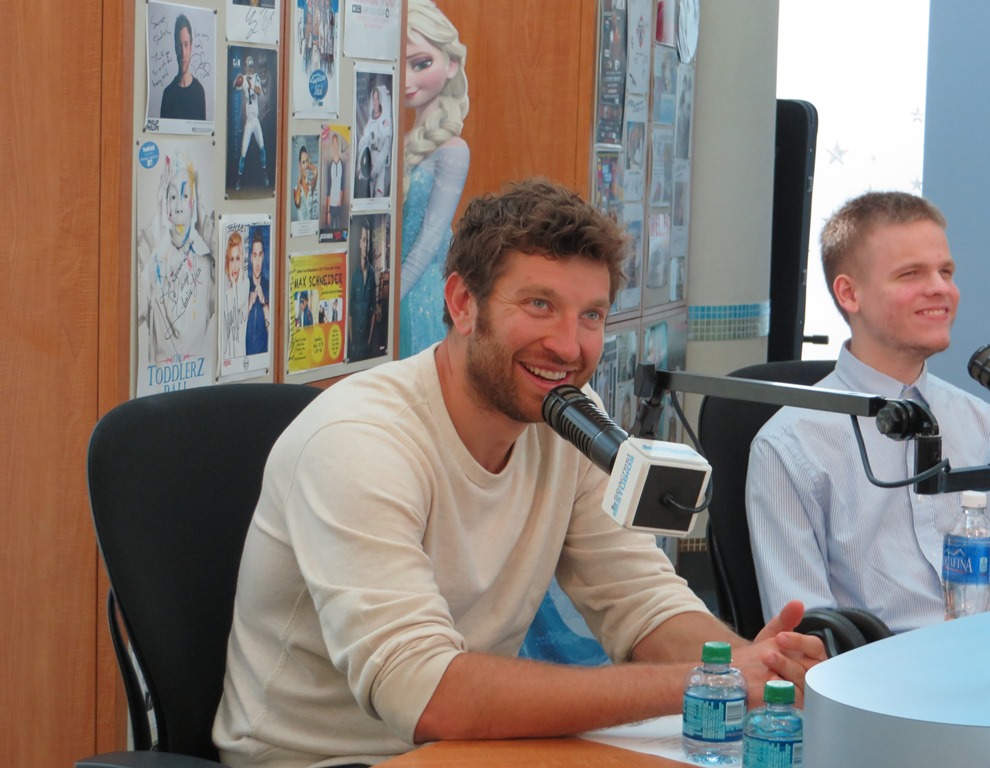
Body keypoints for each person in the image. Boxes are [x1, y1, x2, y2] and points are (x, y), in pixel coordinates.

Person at [213, 178, 825, 768]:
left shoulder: (567, 422)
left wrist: (752, 667)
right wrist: (698, 682)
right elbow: (422, 691)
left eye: (591, 315)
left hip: (469, 750)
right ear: (462, 304)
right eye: (539, 305)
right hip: (328, 759)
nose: (568, 346)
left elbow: (640, 601)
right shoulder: (360, 441)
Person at [746, 191, 990, 634]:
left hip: (988, 680)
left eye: (946, 271)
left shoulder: (981, 422)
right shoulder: (790, 443)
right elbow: (809, 634)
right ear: (849, 293)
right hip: (868, 690)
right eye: (911, 273)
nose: (940, 288)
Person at [399, 0, 470, 359]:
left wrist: (391, 296)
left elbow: (429, 242)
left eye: (421, 64)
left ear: (451, 64)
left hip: (421, 294)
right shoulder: (402, 143)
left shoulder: (453, 151)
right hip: (398, 287)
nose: (409, 80)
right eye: (402, 65)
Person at [137, 151, 216, 365]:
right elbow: (130, 311)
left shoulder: (207, 266)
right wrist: (152, 231)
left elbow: (232, 288)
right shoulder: (152, 269)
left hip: (197, 393)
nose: (179, 206)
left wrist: (205, 225)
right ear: (165, 205)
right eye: (172, 197)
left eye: (186, 196)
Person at [160, 14, 206, 121]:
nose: (183, 53)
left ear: (191, 46)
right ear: (175, 48)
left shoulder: (199, 91)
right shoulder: (167, 94)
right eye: (179, 45)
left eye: (186, 45)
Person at [234, 55, 270, 191]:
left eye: (251, 66)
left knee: (262, 147)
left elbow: (259, 92)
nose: (250, 68)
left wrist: (251, 85)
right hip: (249, 121)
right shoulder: (242, 78)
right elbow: (234, 88)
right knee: (243, 152)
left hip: (256, 120)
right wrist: (237, 82)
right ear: (245, 66)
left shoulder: (255, 77)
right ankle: (239, 179)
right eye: (248, 66)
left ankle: (265, 173)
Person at [356, 83, 393, 199]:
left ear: (381, 100)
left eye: (377, 99)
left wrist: (377, 165)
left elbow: (386, 146)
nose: (375, 102)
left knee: (378, 190)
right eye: (374, 99)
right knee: (369, 191)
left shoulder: (385, 121)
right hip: (370, 161)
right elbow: (363, 141)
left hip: (379, 163)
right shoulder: (370, 121)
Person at [347, 222, 377, 361]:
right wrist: (352, 342)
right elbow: (350, 311)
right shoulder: (354, 275)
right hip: (354, 346)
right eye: (364, 240)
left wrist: (369, 342)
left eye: (368, 241)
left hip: (366, 347)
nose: (366, 245)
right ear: (359, 243)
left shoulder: (372, 275)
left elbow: (372, 312)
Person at [221, 231, 248, 360]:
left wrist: (234, 283)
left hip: (241, 360)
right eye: (232, 259)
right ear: (227, 262)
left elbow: (238, 302)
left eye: (238, 258)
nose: (235, 265)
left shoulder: (246, 284)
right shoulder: (226, 293)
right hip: (226, 358)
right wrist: (232, 283)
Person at [244, 231, 269, 355]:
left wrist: (264, 303)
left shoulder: (269, 287)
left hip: (263, 359)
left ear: (263, 256)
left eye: (260, 255)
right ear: (251, 258)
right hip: (245, 358)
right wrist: (247, 307)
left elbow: (273, 331)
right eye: (255, 255)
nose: (257, 261)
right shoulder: (244, 287)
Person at [292, 145, 319, 223]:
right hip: (299, 231)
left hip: (309, 231)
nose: (306, 164)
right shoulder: (296, 189)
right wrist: (299, 179)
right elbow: (297, 202)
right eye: (303, 162)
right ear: (299, 164)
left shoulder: (311, 186)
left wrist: (308, 165)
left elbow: (316, 171)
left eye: (307, 161)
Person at [325, 132, 346, 232]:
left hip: (339, 205)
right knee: (330, 232)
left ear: (338, 144)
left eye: (336, 142)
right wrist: (328, 211)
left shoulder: (342, 164)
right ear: (332, 145)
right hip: (331, 205)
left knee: (339, 233)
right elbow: (328, 188)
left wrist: (340, 201)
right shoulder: (330, 166)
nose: (334, 145)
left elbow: (342, 186)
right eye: (333, 143)